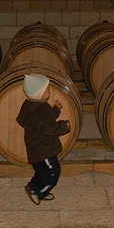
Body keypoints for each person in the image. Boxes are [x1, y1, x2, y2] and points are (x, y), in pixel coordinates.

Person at [16, 73, 71, 205]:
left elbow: (45, 118)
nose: (50, 91)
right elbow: (46, 127)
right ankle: (36, 190)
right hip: (43, 149)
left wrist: (55, 110)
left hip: (37, 147)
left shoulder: (32, 105)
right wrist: (63, 126)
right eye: (47, 89)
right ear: (39, 93)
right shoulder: (39, 110)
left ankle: (39, 189)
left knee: (42, 171)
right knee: (52, 172)